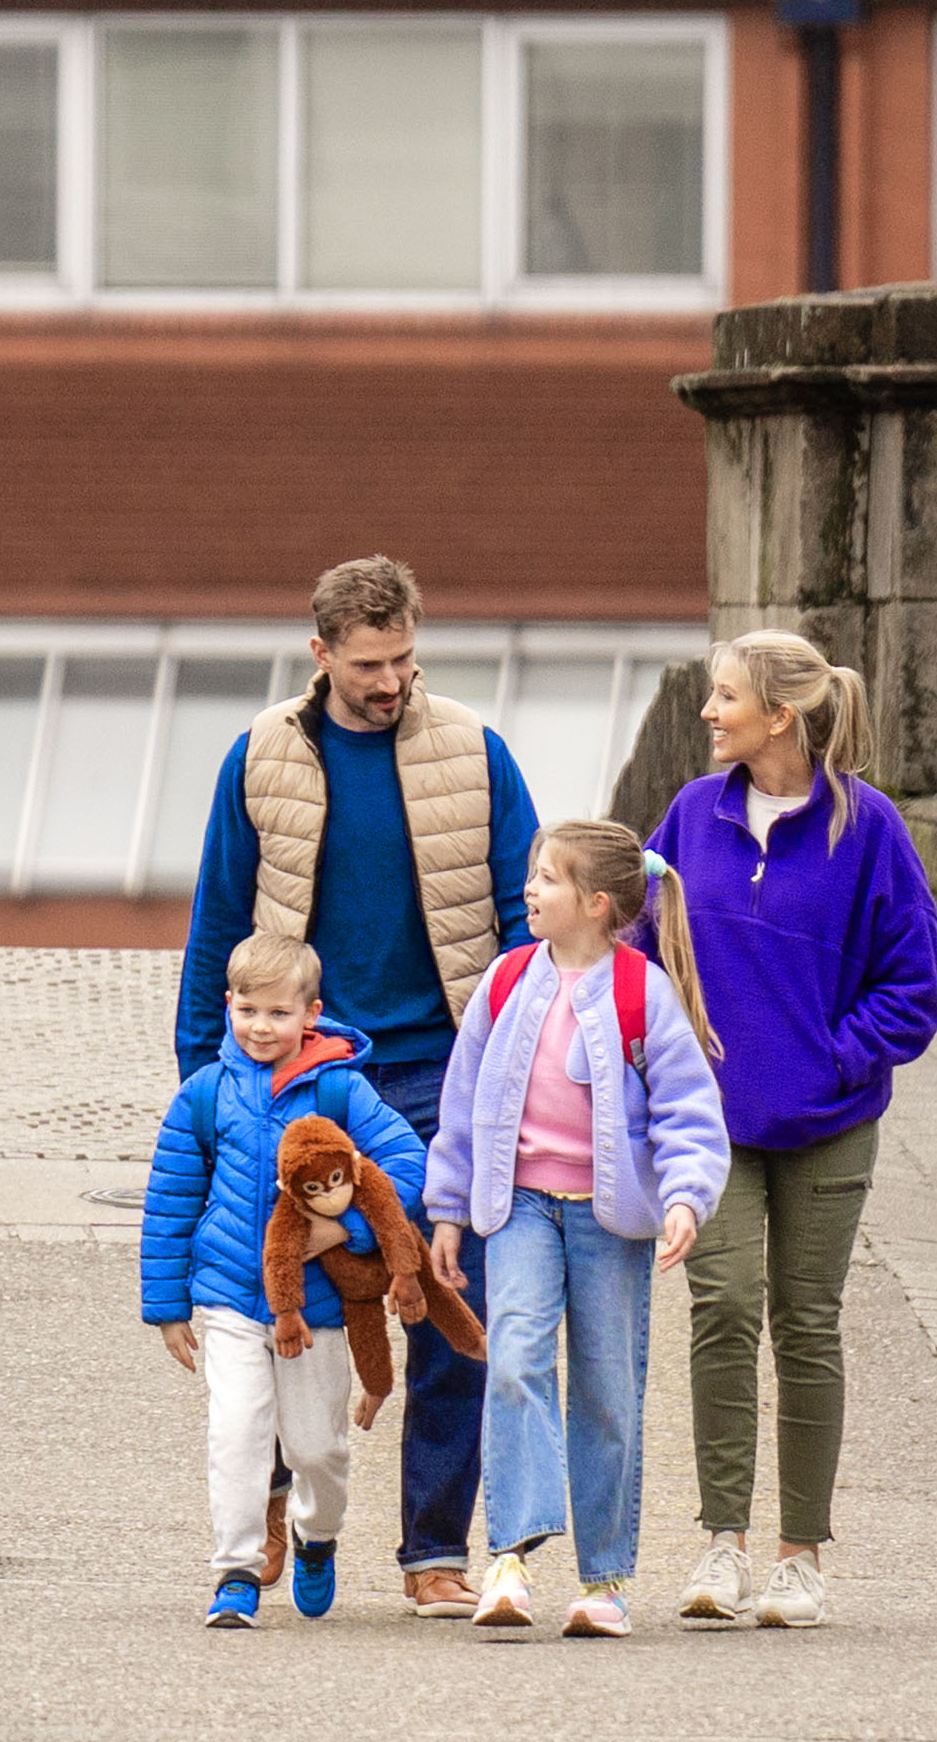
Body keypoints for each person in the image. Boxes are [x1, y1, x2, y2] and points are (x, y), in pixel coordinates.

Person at [180, 558, 539, 1615]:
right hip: (300, 1077)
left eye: (403, 660)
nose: (389, 683)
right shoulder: (259, 757)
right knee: (290, 1297)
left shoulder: (473, 752)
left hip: (445, 1068)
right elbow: (218, 925)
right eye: (369, 664)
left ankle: (432, 1549)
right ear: (321, 654)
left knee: (444, 1296)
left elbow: (523, 922)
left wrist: (515, 1064)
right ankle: (288, 1505)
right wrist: (207, 1083)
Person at [646, 626, 937, 1628]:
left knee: (805, 1326)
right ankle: (720, 1543)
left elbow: (912, 992)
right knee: (720, 1307)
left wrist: (831, 1058)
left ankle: (799, 1556)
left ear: (778, 715)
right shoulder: (689, 817)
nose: (707, 712)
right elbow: (636, 948)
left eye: (723, 696)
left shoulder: (867, 831)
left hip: (827, 1123)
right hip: (709, 1127)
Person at [421, 818, 727, 1641]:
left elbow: (689, 1112)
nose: (529, 891)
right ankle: (512, 1556)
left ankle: (605, 1579)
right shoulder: (506, 979)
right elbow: (464, 1103)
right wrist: (447, 1210)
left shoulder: (642, 993)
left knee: (605, 1385)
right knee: (516, 1353)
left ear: (595, 904)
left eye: (547, 880)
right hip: (518, 1206)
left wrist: (684, 1200)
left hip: (608, 1221)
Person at [141, 926, 427, 1631]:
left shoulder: (340, 1088)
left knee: (315, 1449)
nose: (260, 1026)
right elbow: (172, 1194)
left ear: (311, 1012)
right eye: (246, 1009)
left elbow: (409, 1167)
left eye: (277, 1012)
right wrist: (167, 1304)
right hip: (234, 1297)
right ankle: (235, 1570)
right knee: (237, 1429)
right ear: (228, 1004)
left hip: (320, 1307)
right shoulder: (206, 1095)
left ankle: (315, 1535)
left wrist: (346, 1231)